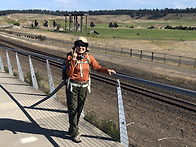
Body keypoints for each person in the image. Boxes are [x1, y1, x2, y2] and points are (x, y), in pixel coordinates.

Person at [65, 36, 116, 143]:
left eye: (83, 45)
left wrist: (107, 70)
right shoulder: (70, 57)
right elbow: (69, 73)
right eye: (79, 45)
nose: (81, 47)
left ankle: (72, 128)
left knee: (79, 109)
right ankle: (75, 133)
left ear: (86, 47)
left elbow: (97, 67)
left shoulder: (88, 57)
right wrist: (73, 60)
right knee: (73, 109)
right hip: (73, 87)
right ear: (75, 46)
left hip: (83, 87)